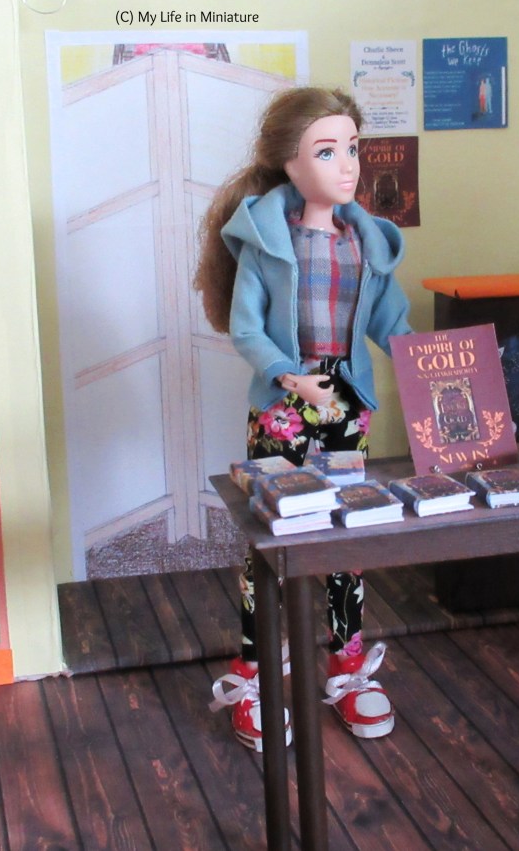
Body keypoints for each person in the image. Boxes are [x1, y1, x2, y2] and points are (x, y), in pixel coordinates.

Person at [193, 86, 413, 751]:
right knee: (273, 538)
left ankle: (345, 665)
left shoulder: (365, 241)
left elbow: (388, 319)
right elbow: (246, 328)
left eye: (352, 147)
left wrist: (429, 363)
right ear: (289, 164)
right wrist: (290, 377)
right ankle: (258, 672)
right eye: (327, 150)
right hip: (284, 410)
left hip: (345, 405)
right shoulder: (266, 240)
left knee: (347, 532)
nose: (347, 164)